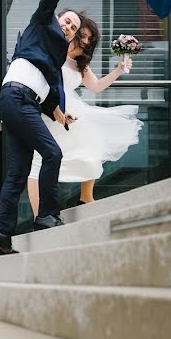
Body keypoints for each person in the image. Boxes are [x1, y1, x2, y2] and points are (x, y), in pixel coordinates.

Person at [0, 0, 90, 256]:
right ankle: (46, 216)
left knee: (17, 172)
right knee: (52, 153)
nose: (69, 26)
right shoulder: (42, 22)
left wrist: (58, 112)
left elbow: (46, 88)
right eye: (67, 21)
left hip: (24, 101)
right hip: (16, 96)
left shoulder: (56, 52)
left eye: (73, 27)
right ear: (57, 18)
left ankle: (1, 232)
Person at [27, 17, 143, 214]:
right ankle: (39, 216)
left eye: (90, 39)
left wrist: (118, 70)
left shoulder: (81, 65)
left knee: (92, 149)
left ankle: (86, 198)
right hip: (47, 111)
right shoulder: (53, 51)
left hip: (72, 113)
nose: (86, 41)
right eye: (83, 35)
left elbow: (96, 87)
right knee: (38, 164)